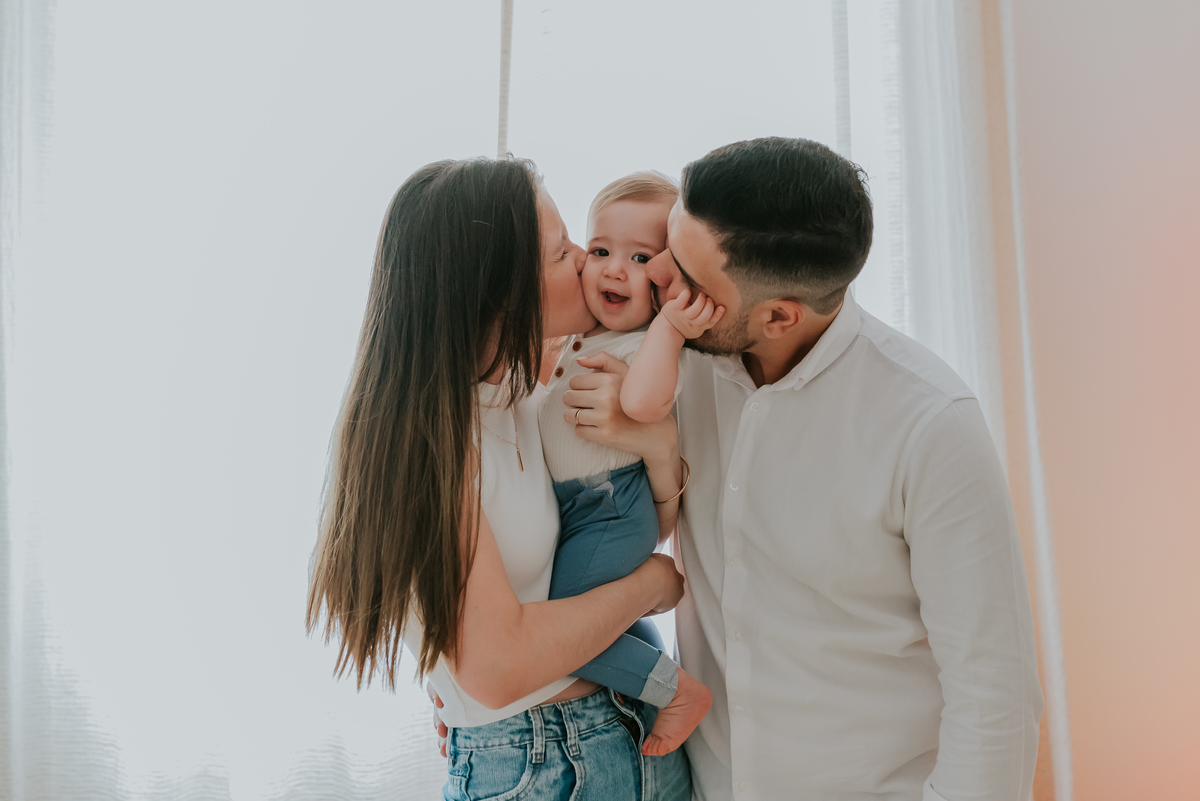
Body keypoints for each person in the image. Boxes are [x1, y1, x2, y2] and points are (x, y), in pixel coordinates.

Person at [561, 138, 1044, 800]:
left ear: (779, 315)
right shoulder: (668, 364)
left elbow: (996, 690)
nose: (659, 275)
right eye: (667, 243)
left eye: (690, 276)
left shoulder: (932, 423)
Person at [306, 157, 693, 801]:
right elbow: (497, 667)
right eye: (563, 251)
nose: (586, 264)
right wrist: (651, 582)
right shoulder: (436, 442)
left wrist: (657, 441)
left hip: (625, 728)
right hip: (548, 760)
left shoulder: (522, 391)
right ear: (496, 293)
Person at [538, 171, 718, 758]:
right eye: (599, 251)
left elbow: (643, 404)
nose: (615, 269)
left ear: (668, 282)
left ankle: (677, 693)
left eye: (641, 258)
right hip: (583, 506)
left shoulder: (650, 344)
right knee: (596, 618)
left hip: (611, 507)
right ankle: (651, 668)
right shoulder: (575, 339)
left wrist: (668, 328)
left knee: (566, 633)